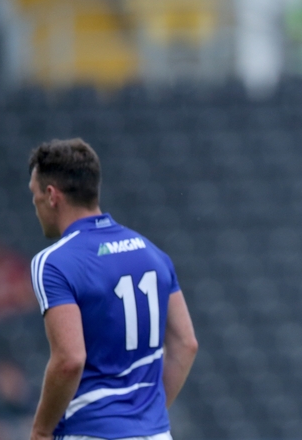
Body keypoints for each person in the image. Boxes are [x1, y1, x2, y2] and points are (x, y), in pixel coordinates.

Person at [27, 139, 198, 440]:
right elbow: (186, 344)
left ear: (52, 195)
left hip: (93, 431)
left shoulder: (52, 263)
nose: (35, 205)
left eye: (34, 194)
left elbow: (70, 360)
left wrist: (41, 431)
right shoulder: (153, 253)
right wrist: (146, 417)